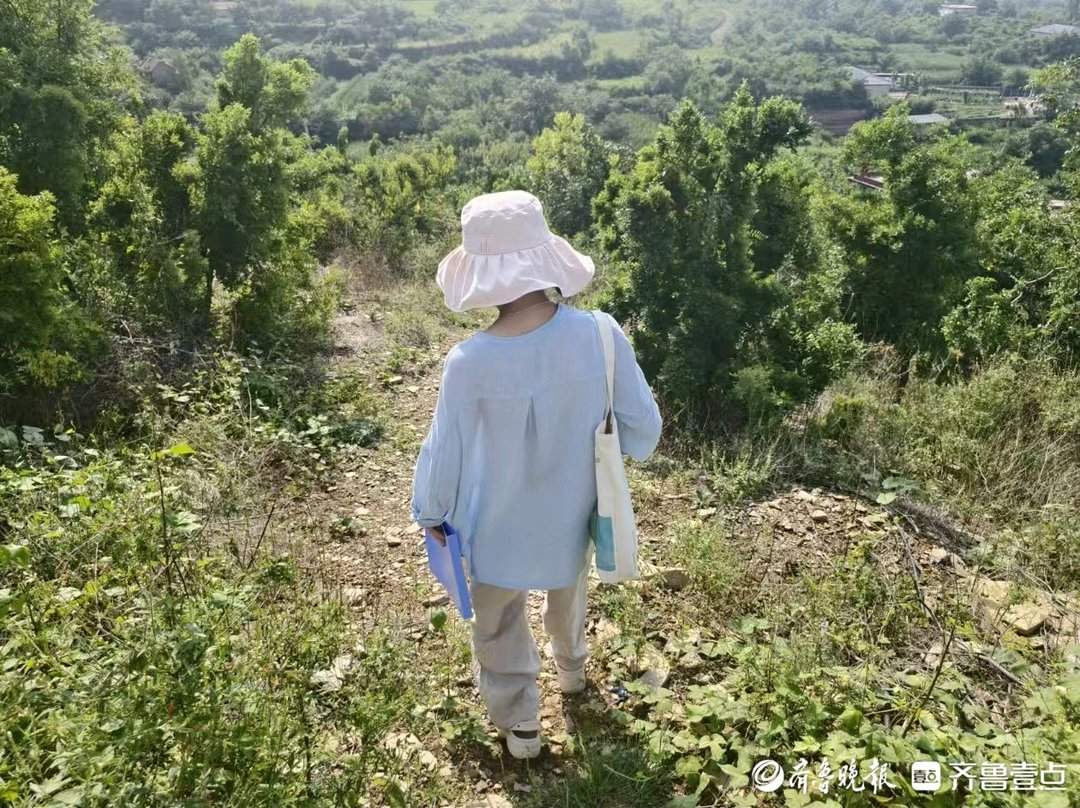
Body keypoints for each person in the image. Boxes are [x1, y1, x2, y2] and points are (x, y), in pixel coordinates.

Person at [411, 190, 662, 759]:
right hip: (573, 513)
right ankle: (572, 673)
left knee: (497, 618)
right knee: (568, 591)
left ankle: (522, 726)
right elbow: (644, 430)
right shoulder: (600, 334)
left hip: (493, 522)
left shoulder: (468, 362)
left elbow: (443, 449)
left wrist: (430, 513)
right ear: (546, 259)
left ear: (479, 276)